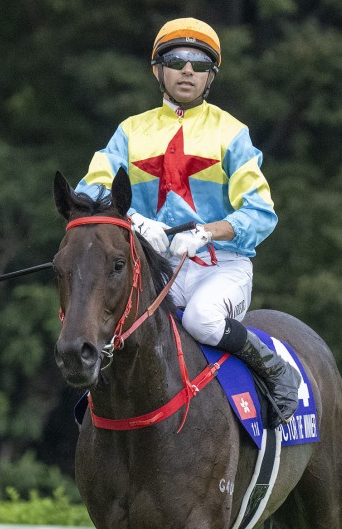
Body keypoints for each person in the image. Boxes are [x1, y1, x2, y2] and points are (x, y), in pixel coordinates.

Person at [75, 17, 301, 427]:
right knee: (111, 318)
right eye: (176, 60)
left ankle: (272, 369)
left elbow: (261, 212)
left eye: (199, 64)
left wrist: (204, 232)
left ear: (211, 76)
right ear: (157, 70)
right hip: (154, 269)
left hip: (221, 266)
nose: (187, 71)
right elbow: (88, 190)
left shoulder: (232, 133)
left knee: (201, 318)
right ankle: (97, 408)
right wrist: (137, 222)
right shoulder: (129, 131)